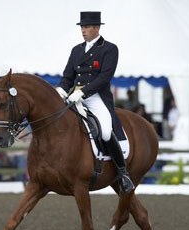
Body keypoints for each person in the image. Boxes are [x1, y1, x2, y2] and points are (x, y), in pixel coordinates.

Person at [56, 11, 134, 193]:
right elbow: (68, 76)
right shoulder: (76, 50)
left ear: (97, 28)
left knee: (106, 132)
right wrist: (60, 89)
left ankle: (123, 174)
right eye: (82, 27)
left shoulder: (109, 49)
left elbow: (104, 78)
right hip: (74, 96)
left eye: (87, 27)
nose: (83, 31)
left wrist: (83, 92)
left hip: (96, 96)